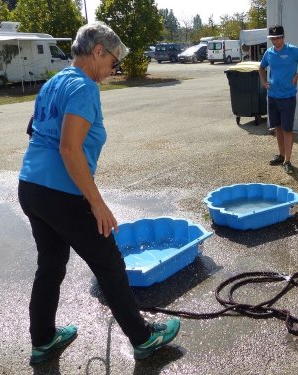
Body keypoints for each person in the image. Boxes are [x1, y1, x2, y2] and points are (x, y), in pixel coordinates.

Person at [18, 22, 180, 364]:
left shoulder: (53, 82)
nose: (112, 69)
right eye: (113, 61)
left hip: (31, 186)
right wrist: (96, 203)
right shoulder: (84, 88)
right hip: (61, 194)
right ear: (97, 51)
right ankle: (143, 338)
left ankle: (43, 340)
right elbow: (69, 149)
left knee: (50, 265)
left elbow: (34, 131)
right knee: (108, 263)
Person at [258, 25, 298, 174]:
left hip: (288, 98)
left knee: (287, 129)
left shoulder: (294, 51)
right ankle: (281, 155)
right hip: (272, 97)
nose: (275, 41)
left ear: (283, 37)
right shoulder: (269, 53)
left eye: (277, 38)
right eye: (272, 38)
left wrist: (297, 75)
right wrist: (264, 83)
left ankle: (288, 161)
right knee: (277, 127)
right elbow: (261, 68)